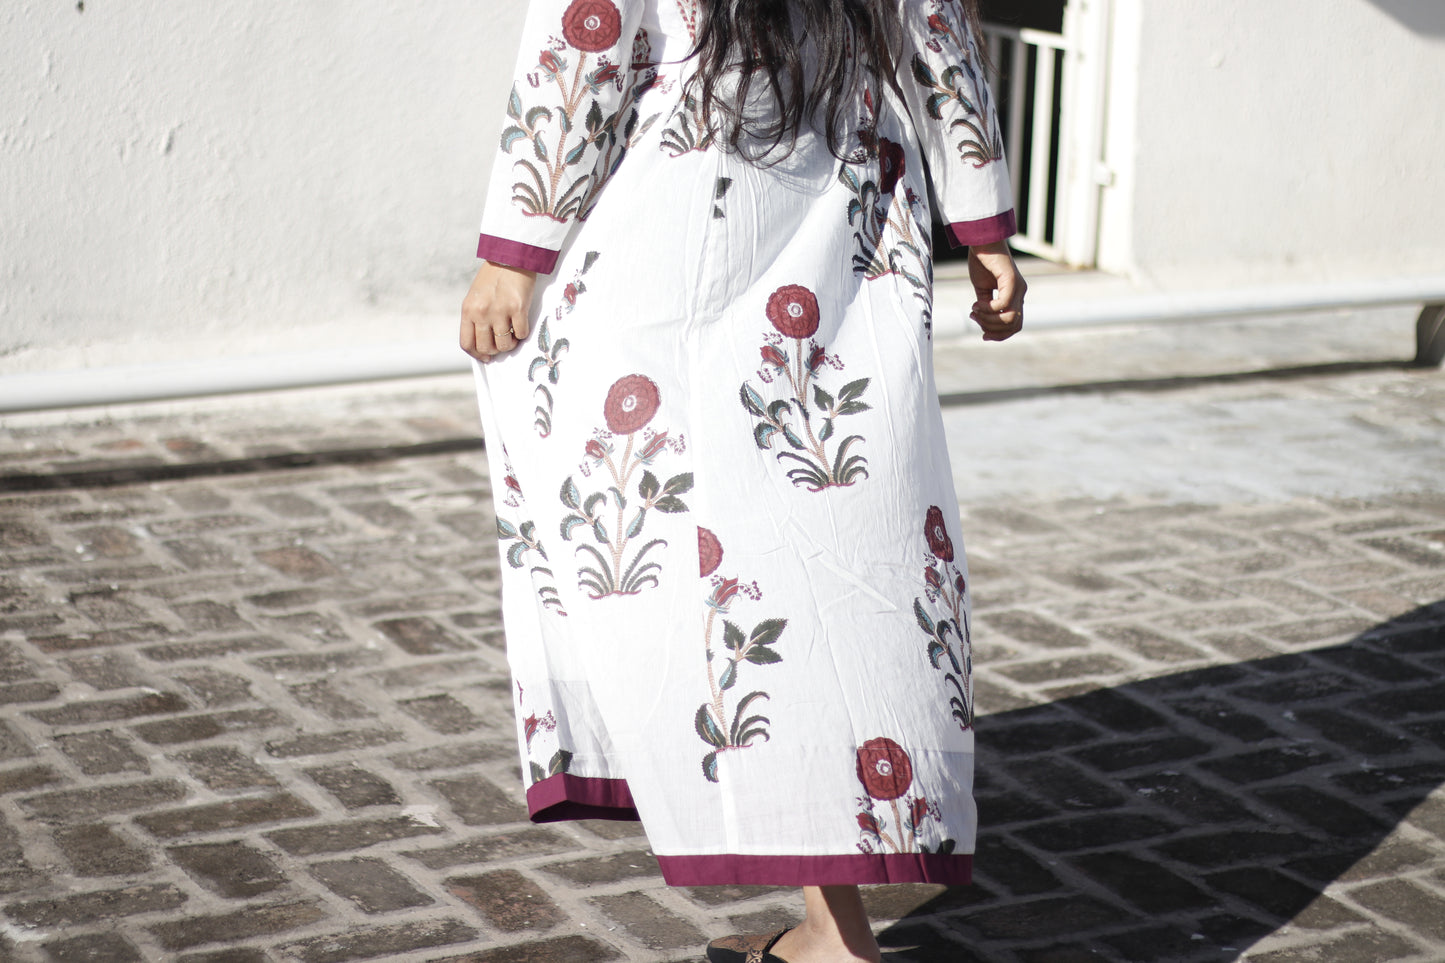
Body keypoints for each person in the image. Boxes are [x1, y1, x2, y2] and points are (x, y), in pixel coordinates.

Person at [459, 0, 1025, 959]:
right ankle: (830, 926)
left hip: (682, 240)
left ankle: (829, 927)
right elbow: (944, 40)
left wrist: (514, 256)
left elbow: (583, 44)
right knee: (829, 554)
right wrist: (984, 231)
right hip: (849, 231)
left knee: (700, 546)